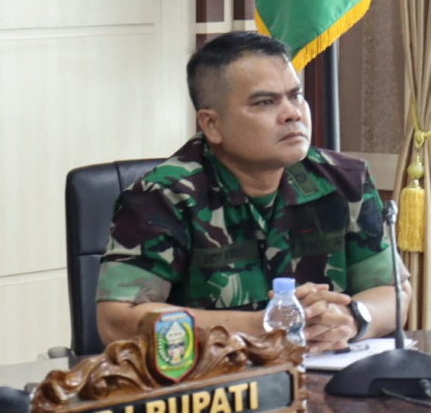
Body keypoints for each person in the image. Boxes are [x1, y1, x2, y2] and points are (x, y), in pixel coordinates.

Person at [96, 31, 409, 352]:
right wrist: (261, 326)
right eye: (265, 102)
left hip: (322, 379)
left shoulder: (345, 181)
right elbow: (116, 320)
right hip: (211, 390)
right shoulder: (162, 196)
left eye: (295, 95)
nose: (293, 113)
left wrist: (352, 318)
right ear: (212, 125)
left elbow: (393, 291)